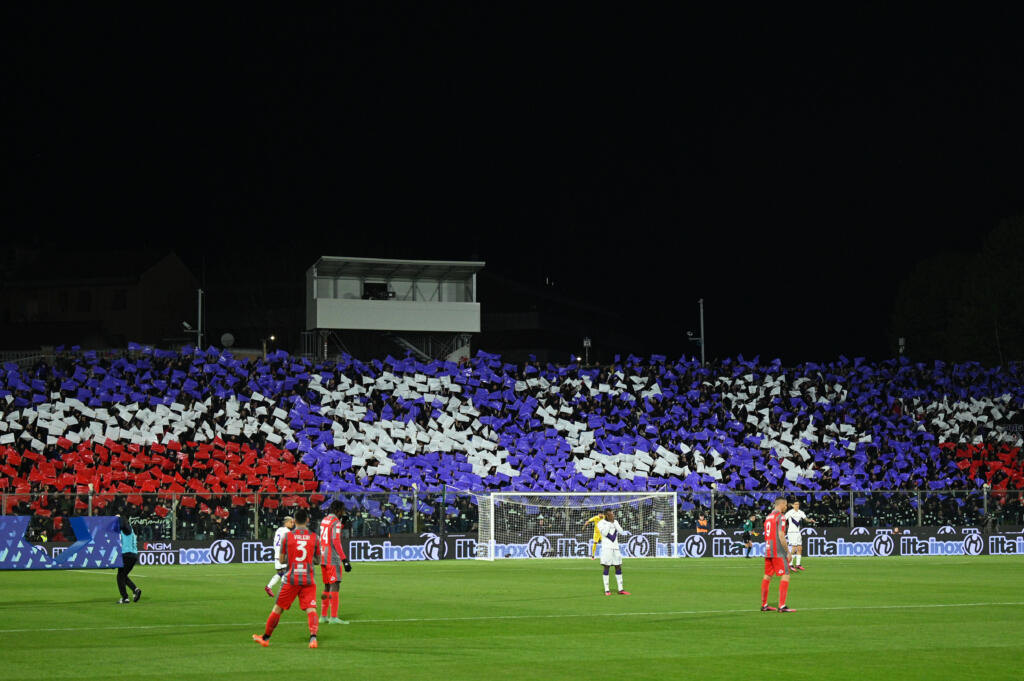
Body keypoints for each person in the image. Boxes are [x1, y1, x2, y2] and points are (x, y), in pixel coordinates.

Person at [253, 508, 322, 649]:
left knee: (278, 608)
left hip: (291, 578)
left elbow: (282, 559)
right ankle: (313, 638)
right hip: (308, 579)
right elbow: (317, 561)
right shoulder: (314, 537)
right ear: (307, 520)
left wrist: (292, 558)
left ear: (294, 521)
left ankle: (266, 638)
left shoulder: (288, 537)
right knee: (311, 609)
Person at [318, 501, 352, 624]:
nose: (343, 512)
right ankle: (333, 617)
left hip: (323, 555)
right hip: (332, 557)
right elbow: (336, 541)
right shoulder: (336, 522)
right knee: (335, 585)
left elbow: (327, 534)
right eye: (342, 510)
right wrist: (344, 560)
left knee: (327, 586)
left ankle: (323, 616)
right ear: (338, 510)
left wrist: (341, 524)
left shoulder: (324, 520)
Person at [761, 497, 795, 612]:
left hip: (768, 548)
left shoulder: (768, 517)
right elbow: (781, 535)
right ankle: (782, 606)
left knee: (767, 576)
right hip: (777, 550)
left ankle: (764, 605)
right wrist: (788, 551)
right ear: (782, 504)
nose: (786, 508)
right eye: (785, 506)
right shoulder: (780, 516)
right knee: (786, 574)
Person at [596, 509, 631, 596]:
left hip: (615, 548)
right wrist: (610, 523)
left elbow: (621, 532)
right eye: (611, 514)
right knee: (606, 567)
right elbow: (604, 533)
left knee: (618, 566)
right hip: (607, 548)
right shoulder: (601, 523)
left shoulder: (615, 522)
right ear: (607, 516)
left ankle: (621, 589)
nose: (613, 516)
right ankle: (607, 590)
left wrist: (614, 523)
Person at [264, 515, 295, 597]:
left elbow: (275, 541)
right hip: (283, 555)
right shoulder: (288, 532)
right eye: (291, 522)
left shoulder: (278, 530)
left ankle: (268, 587)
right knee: (286, 572)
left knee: (280, 572)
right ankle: (283, 591)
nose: (293, 524)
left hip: (277, 553)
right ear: (287, 522)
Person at [116, 514, 142, 604]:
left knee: (120, 576)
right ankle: (135, 590)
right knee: (123, 576)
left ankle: (125, 598)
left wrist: (118, 518)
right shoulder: (131, 529)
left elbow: (121, 525)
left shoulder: (126, 528)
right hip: (133, 556)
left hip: (126, 555)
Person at [784, 500, 814, 571]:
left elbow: (805, 519)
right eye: (795, 504)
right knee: (793, 548)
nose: (797, 505)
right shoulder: (790, 512)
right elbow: (783, 519)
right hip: (791, 532)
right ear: (792, 505)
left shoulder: (801, 512)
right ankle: (790, 564)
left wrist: (810, 520)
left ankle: (798, 564)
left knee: (800, 548)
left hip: (797, 532)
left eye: (798, 504)